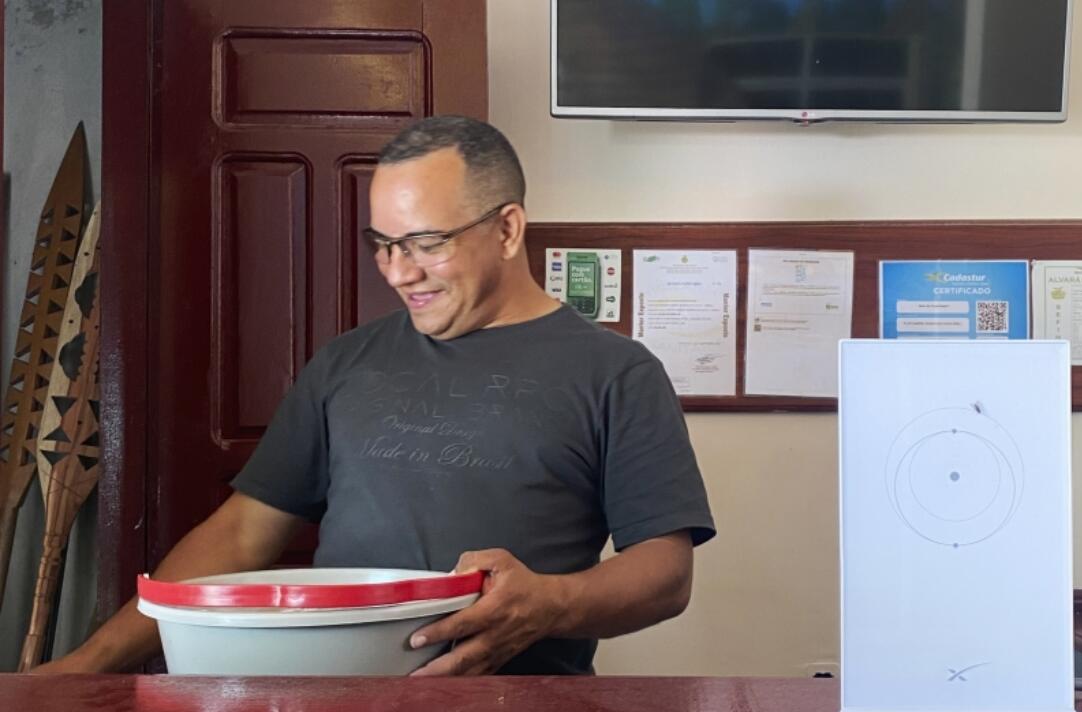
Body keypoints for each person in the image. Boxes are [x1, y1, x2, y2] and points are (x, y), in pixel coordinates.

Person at [36, 116, 715, 676]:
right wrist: (86, 664)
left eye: (425, 242)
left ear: (507, 229)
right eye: (383, 244)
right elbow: (242, 532)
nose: (399, 271)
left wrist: (550, 603)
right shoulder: (346, 363)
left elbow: (665, 571)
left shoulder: (617, 372)